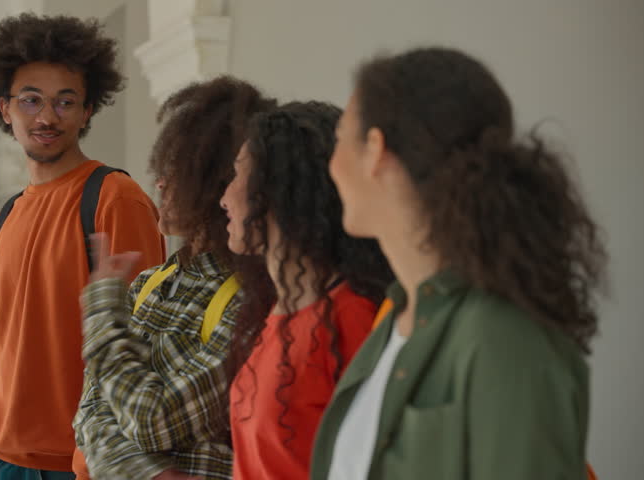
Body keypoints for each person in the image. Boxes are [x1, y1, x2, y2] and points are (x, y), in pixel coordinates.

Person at [311, 47, 607, 480]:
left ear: (375, 150)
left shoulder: (505, 341)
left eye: (340, 138)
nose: (332, 164)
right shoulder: (393, 319)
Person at [0, 13, 166, 480]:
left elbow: (142, 351)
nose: (46, 117)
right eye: (30, 100)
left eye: (65, 101)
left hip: (69, 464)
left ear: (87, 111)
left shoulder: (115, 200)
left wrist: (93, 466)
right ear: (4, 109)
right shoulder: (6, 217)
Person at [74, 76, 276, 480]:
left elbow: (152, 421)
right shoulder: (148, 283)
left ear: (217, 184)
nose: (160, 182)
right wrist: (151, 474)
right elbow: (88, 415)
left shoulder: (249, 300)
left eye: (178, 171)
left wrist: (103, 317)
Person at [219, 101, 394, 480]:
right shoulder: (271, 315)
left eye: (237, 173)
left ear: (279, 187)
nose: (224, 197)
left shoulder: (353, 318)